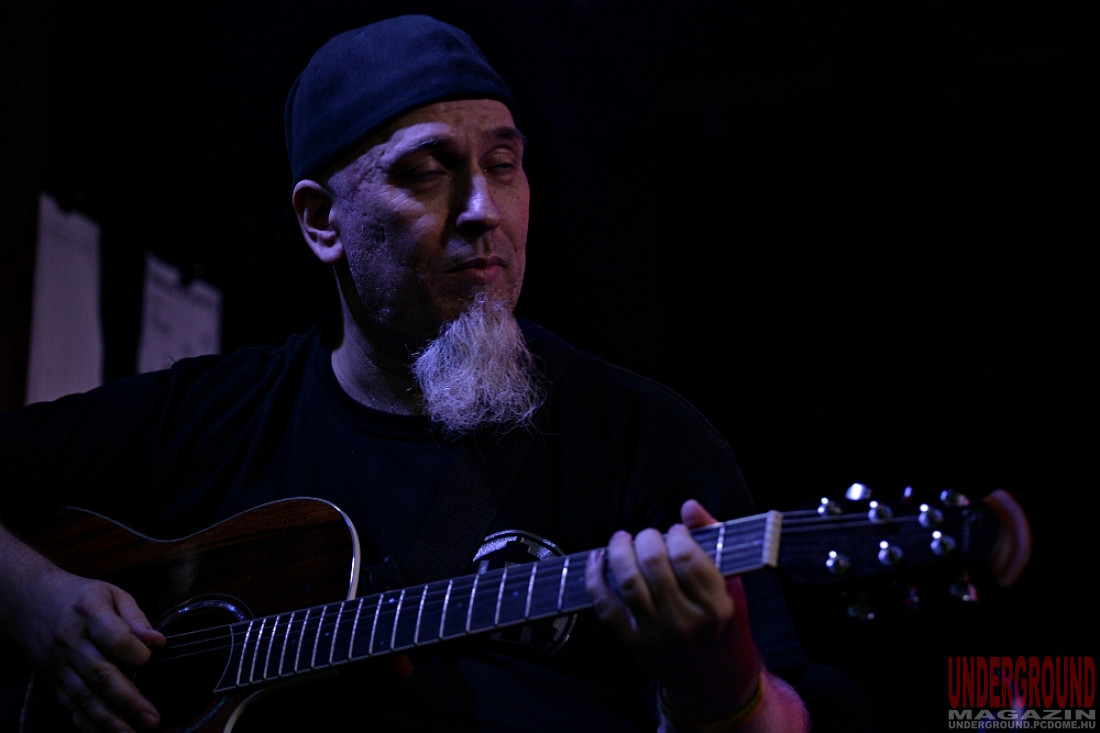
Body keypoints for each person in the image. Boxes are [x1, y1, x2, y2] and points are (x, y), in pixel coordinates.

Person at [0, 15, 859, 733]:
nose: (483, 209)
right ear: (323, 221)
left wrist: (722, 685)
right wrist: (35, 600)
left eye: (504, 164)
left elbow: (787, 714)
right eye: (426, 171)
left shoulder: (647, 442)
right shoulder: (212, 418)